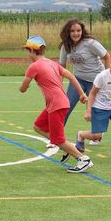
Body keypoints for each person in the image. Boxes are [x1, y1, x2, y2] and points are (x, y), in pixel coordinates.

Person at [19, 36, 93, 173]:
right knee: (38, 126)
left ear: (31, 51)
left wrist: (24, 87)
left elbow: (22, 89)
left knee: (58, 139)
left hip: (57, 104)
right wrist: (82, 94)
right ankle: (68, 147)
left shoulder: (33, 67)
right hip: (58, 103)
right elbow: (71, 76)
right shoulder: (52, 63)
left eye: (27, 50)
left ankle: (83, 159)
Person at [59, 19, 111, 146]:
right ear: (68, 32)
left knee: (95, 110)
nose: (76, 33)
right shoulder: (66, 46)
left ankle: (97, 135)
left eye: (78, 30)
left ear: (82, 31)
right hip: (78, 80)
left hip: (96, 81)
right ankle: (57, 137)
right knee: (66, 106)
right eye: (72, 31)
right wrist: (59, 86)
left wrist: (107, 77)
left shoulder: (91, 43)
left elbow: (107, 56)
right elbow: (62, 66)